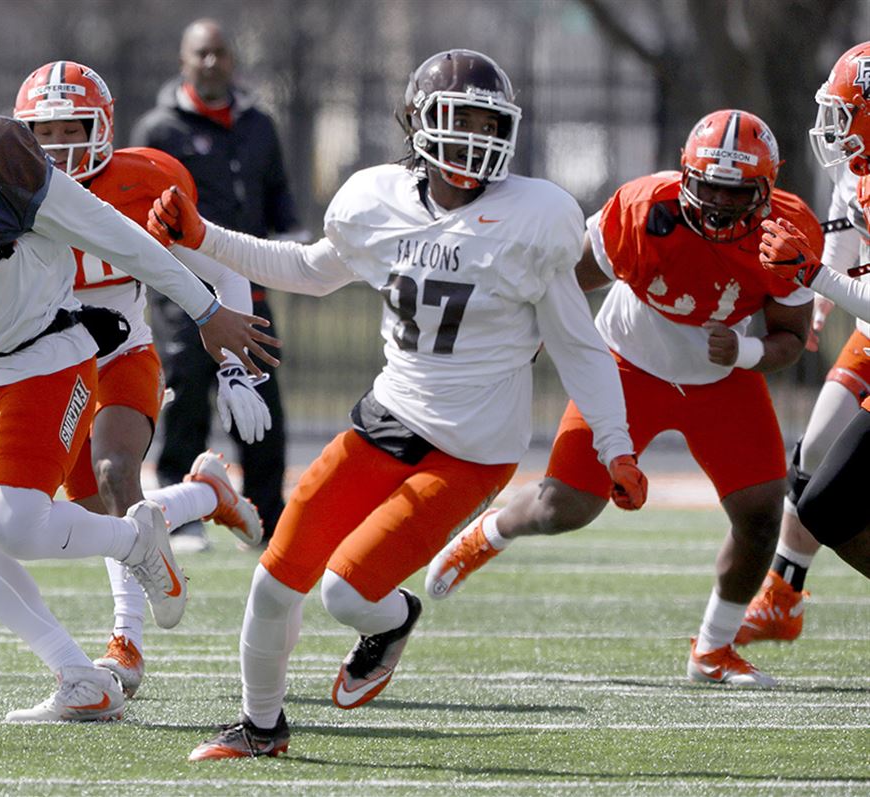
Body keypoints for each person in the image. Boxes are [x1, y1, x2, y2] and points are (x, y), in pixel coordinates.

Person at [148, 49, 645, 759]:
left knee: (345, 595)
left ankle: (392, 619)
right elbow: (310, 271)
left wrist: (615, 442)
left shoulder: (534, 217)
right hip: (386, 417)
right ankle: (261, 728)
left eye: (487, 121)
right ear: (418, 124)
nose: (473, 136)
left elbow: (578, 345)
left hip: (473, 451)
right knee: (273, 577)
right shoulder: (375, 200)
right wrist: (204, 240)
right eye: (458, 118)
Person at [0, 37, 278, 722]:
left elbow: (124, 241)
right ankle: (78, 674)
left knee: (14, 521)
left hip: (48, 353)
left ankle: (135, 543)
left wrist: (209, 310)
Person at [427, 108, 822, 688]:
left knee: (762, 516)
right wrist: (522, 335)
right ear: (686, 175)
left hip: (723, 381)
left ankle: (712, 651)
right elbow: (562, 279)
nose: (717, 203)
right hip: (625, 365)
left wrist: (743, 354)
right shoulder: (643, 210)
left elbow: (792, 337)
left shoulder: (788, 232)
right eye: (709, 185)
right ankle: (492, 530)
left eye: (735, 193)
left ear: (766, 190)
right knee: (563, 508)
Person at [11, 59, 270, 699]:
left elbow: (218, 260)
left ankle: (125, 644)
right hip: (50, 367)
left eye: (72, 126)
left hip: (122, 351)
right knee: (94, 514)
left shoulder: (144, 180)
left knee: (113, 474)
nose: (58, 144)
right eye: (42, 131)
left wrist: (237, 367)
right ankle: (207, 496)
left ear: (102, 125)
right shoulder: (7, 190)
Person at [131, 18, 302, 549]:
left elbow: (277, 195)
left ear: (232, 59)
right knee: (186, 400)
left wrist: (294, 245)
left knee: (263, 404)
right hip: (182, 290)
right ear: (184, 61)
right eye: (201, 54)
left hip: (248, 287)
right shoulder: (159, 129)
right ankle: (179, 513)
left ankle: (268, 518)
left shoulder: (259, 124)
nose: (211, 62)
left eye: (220, 53)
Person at [756, 41, 870, 578]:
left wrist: (813, 277)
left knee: (830, 503)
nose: (834, 126)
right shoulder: (858, 165)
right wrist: (824, 293)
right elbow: (848, 224)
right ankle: (783, 594)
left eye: (846, 113)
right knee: (821, 479)